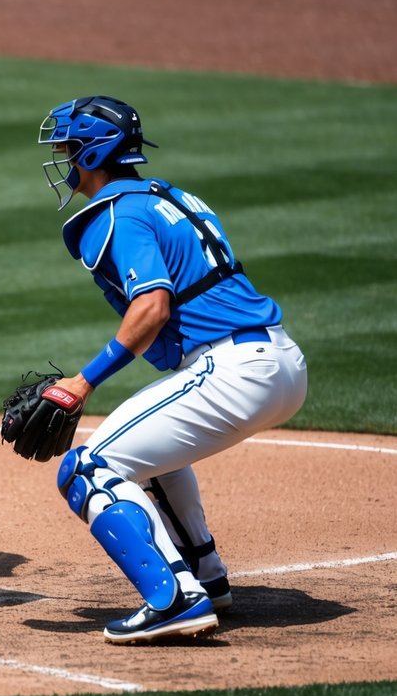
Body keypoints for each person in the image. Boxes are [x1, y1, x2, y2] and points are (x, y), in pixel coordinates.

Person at [36, 96, 308, 643]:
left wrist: (83, 381)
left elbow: (153, 304)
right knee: (148, 455)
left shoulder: (117, 211)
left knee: (89, 469)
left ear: (91, 151)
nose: (64, 158)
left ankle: (176, 598)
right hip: (280, 361)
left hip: (234, 369)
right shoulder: (173, 196)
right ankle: (207, 575)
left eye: (67, 147)